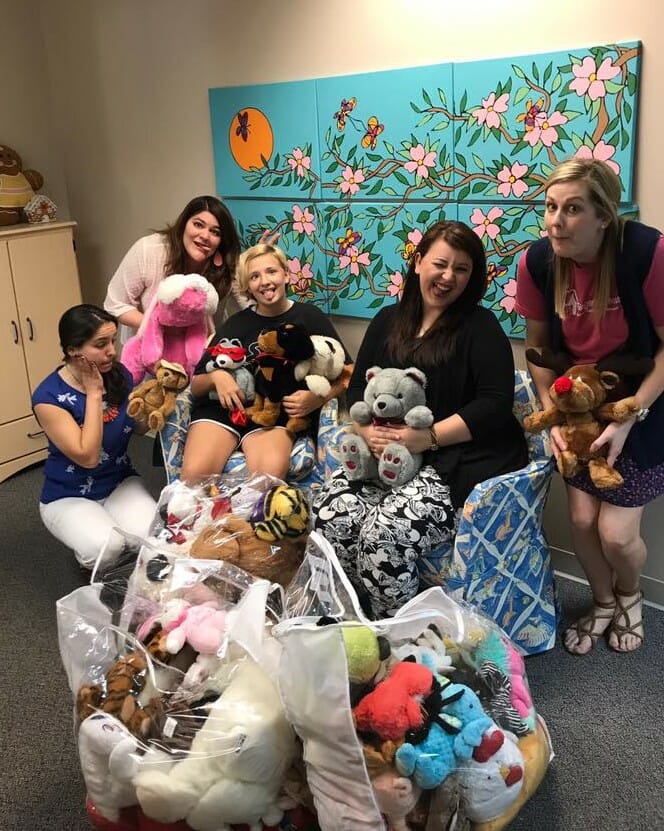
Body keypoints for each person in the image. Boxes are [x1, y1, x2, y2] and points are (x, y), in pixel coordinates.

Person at [312, 220, 528, 618]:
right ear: (418, 263)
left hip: (458, 456)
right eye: (440, 264)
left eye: (461, 269)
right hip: (387, 453)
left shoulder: (481, 328)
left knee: (385, 536)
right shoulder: (386, 320)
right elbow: (359, 387)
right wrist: (367, 430)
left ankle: (400, 634)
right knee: (329, 515)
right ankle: (354, 620)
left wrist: (424, 439)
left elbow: (493, 405)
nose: (448, 277)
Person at [516, 157, 664, 655]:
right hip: (575, 406)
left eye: (573, 208)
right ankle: (601, 602)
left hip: (642, 402)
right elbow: (536, 347)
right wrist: (549, 418)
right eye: (551, 206)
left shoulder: (647, 252)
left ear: (604, 216)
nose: (555, 220)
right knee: (580, 522)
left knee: (616, 534)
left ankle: (629, 596)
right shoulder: (537, 262)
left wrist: (632, 413)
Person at [181, 242, 353, 480]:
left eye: (271, 271)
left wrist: (318, 397)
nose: (264, 282)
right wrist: (216, 376)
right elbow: (197, 384)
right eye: (254, 276)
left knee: (266, 480)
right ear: (247, 286)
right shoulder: (235, 324)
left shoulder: (309, 316)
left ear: (285, 273)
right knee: (194, 477)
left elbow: (349, 372)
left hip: (273, 416)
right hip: (223, 412)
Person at [32, 305, 157, 569]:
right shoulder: (48, 398)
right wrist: (93, 393)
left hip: (118, 481)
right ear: (72, 350)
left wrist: (157, 403)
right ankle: (95, 541)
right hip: (68, 494)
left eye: (112, 341)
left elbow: (137, 428)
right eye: (101, 344)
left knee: (153, 535)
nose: (112, 350)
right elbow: (88, 457)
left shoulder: (119, 373)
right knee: (106, 548)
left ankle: (111, 528)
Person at [104, 195, 245, 344]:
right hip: (148, 350)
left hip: (200, 352)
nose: (205, 236)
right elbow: (115, 303)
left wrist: (260, 261)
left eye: (215, 232)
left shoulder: (227, 263)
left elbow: (252, 304)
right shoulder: (150, 250)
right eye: (198, 225)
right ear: (184, 224)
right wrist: (158, 326)